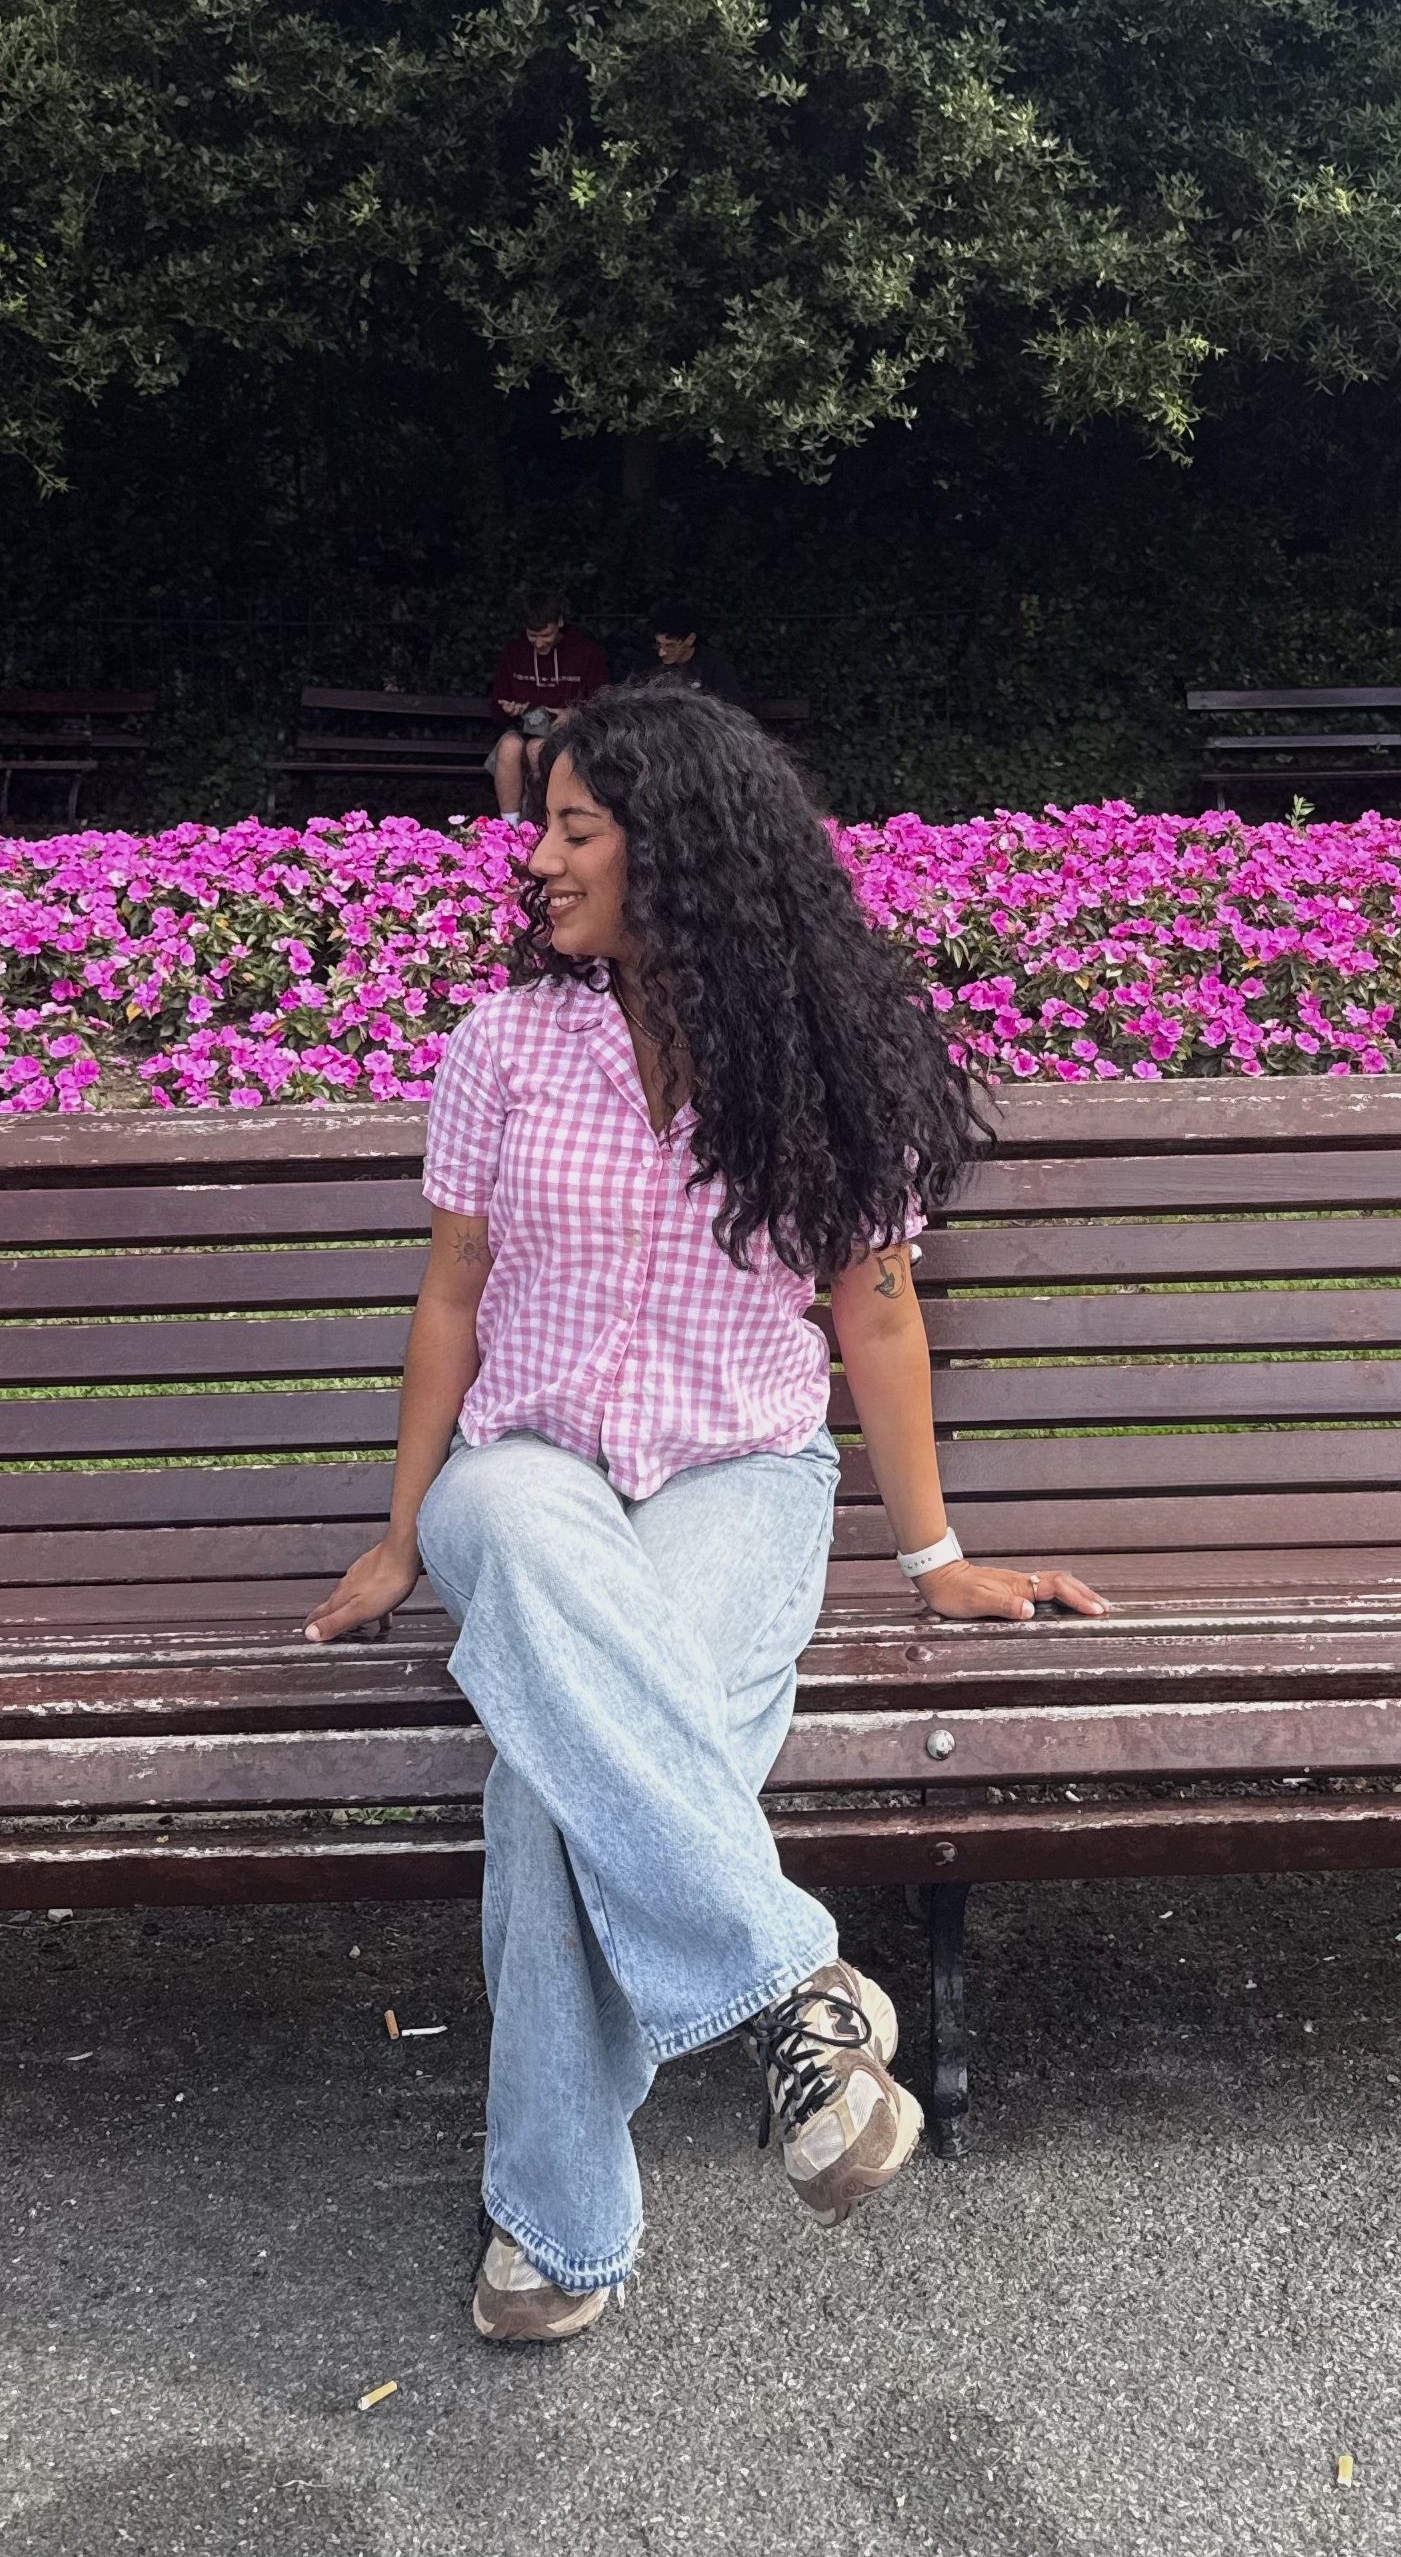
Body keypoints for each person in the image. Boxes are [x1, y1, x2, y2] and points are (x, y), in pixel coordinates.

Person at [303, 680, 1107, 2343]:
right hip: (529, 1473)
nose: (536, 858)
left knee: (549, 1770)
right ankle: (796, 1987)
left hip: (740, 1473)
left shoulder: (807, 1057)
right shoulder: (506, 1044)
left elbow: (874, 1310)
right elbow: (453, 1295)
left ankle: (558, 2227)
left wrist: (936, 1554)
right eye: (542, 822)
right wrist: (403, 1525)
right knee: (515, 1530)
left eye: (575, 828)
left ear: (674, 851)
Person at [488, 593, 608, 817]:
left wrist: (572, 713)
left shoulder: (585, 652)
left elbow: (600, 704)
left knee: (537, 749)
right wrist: (508, 709)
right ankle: (509, 827)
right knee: (509, 746)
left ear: (559, 623)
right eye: (533, 636)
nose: (539, 643)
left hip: (570, 730)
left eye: (546, 635)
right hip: (527, 725)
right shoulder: (514, 653)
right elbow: (498, 711)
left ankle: (542, 822)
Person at [648, 600, 745, 708]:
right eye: (658, 644)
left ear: (690, 639)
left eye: (670, 646)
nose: (661, 653)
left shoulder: (715, 665)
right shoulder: (650, 661)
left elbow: (732, 706)